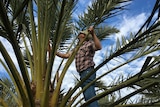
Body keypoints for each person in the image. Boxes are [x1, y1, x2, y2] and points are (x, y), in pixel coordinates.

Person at [56, 26, 101, 107]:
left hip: (88, 71)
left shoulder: (89, 43)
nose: (79, 34)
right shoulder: (77, 48)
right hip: (82, 73)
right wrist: (53, 51)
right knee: (87, 96)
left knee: (89, 95)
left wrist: (93, 33)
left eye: (81, 33)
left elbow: (98, 47)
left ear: (84, 35)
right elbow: (66, 55)